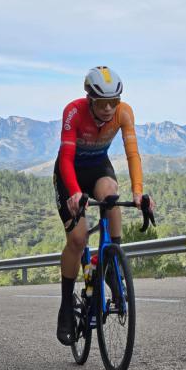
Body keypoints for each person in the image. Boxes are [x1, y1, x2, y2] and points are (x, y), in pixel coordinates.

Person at [53, 66, 154, 345]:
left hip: (98, 167)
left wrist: (138, 193)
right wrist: (75, 193)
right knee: (77, 240)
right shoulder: (73, 112)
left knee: (111, 194)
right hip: (70, 172)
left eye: (114, 101)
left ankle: (110, 261)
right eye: (102, 103)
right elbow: (66, 158)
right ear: (89, 99)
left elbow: (133, 155)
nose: (109, 108)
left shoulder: (124, 113)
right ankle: (65, 307)